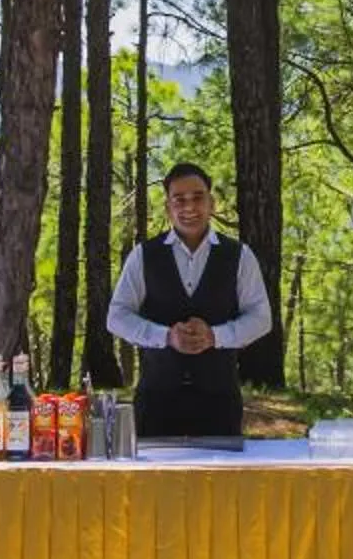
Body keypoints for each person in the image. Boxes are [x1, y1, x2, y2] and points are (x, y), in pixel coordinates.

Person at [104, 161, 273, 440]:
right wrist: (166, 336)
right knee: (153, 484)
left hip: (219, 402)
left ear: (212, 203)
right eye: (179, 200)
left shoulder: (240, 255)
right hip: (156, 402)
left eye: (198, 197)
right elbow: (117, 316)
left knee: (219, 484)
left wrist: (215, 336)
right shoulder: (143, 255)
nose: (189, 207)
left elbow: (261, 317)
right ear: (168, 207)